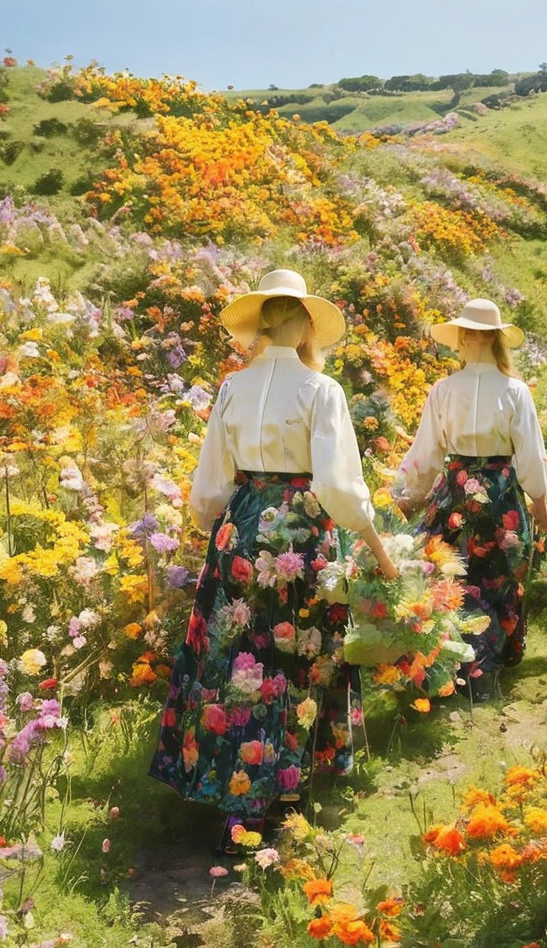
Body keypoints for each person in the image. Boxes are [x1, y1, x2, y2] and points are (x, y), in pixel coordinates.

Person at [148, 269, 398, 853]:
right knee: (299, 654)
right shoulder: (320, 389)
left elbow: (209, 484)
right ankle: (284, 788)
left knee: (240, 658)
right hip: (302, 530)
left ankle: (240, 796)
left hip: (241, 525)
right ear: (308, 323)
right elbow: (338, 487)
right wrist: (378, 550)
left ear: (262, 323)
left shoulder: (233, 387)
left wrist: (217, 532)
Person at [393, 298, 547, 703]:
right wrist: (545, 520)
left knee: (451, 580)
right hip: (501, 497)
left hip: (454, 493)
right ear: (497, 338)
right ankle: (487, 672)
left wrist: (400, 505)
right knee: (499, 581)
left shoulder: (444, 390)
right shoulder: (515, 392)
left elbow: (425, 457)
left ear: (468, 336)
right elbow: (531, 464)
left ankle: (449, 671)